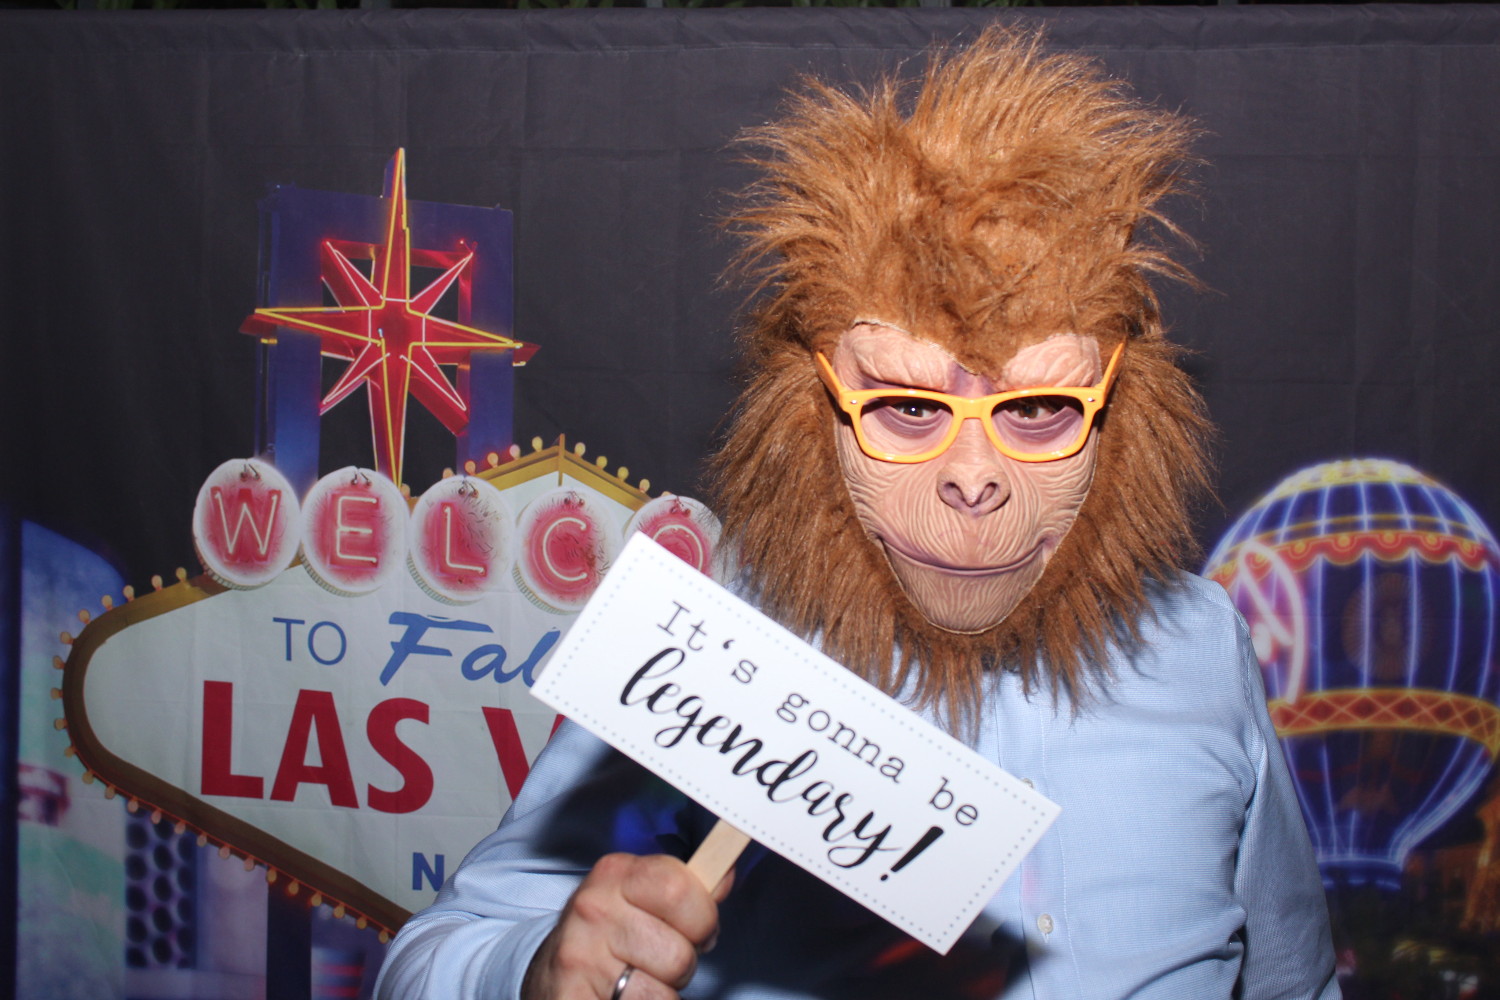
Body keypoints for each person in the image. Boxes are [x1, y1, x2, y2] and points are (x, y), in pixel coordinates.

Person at [375, 27, 1339, 1000]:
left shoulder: (1202, 647)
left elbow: (1293, 978)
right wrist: (537, 968)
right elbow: (424, 963)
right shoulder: (719, 654)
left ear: (1121, 420)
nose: (975, 477)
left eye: (1039, 409)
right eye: (908, 408)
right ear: (815, 414)